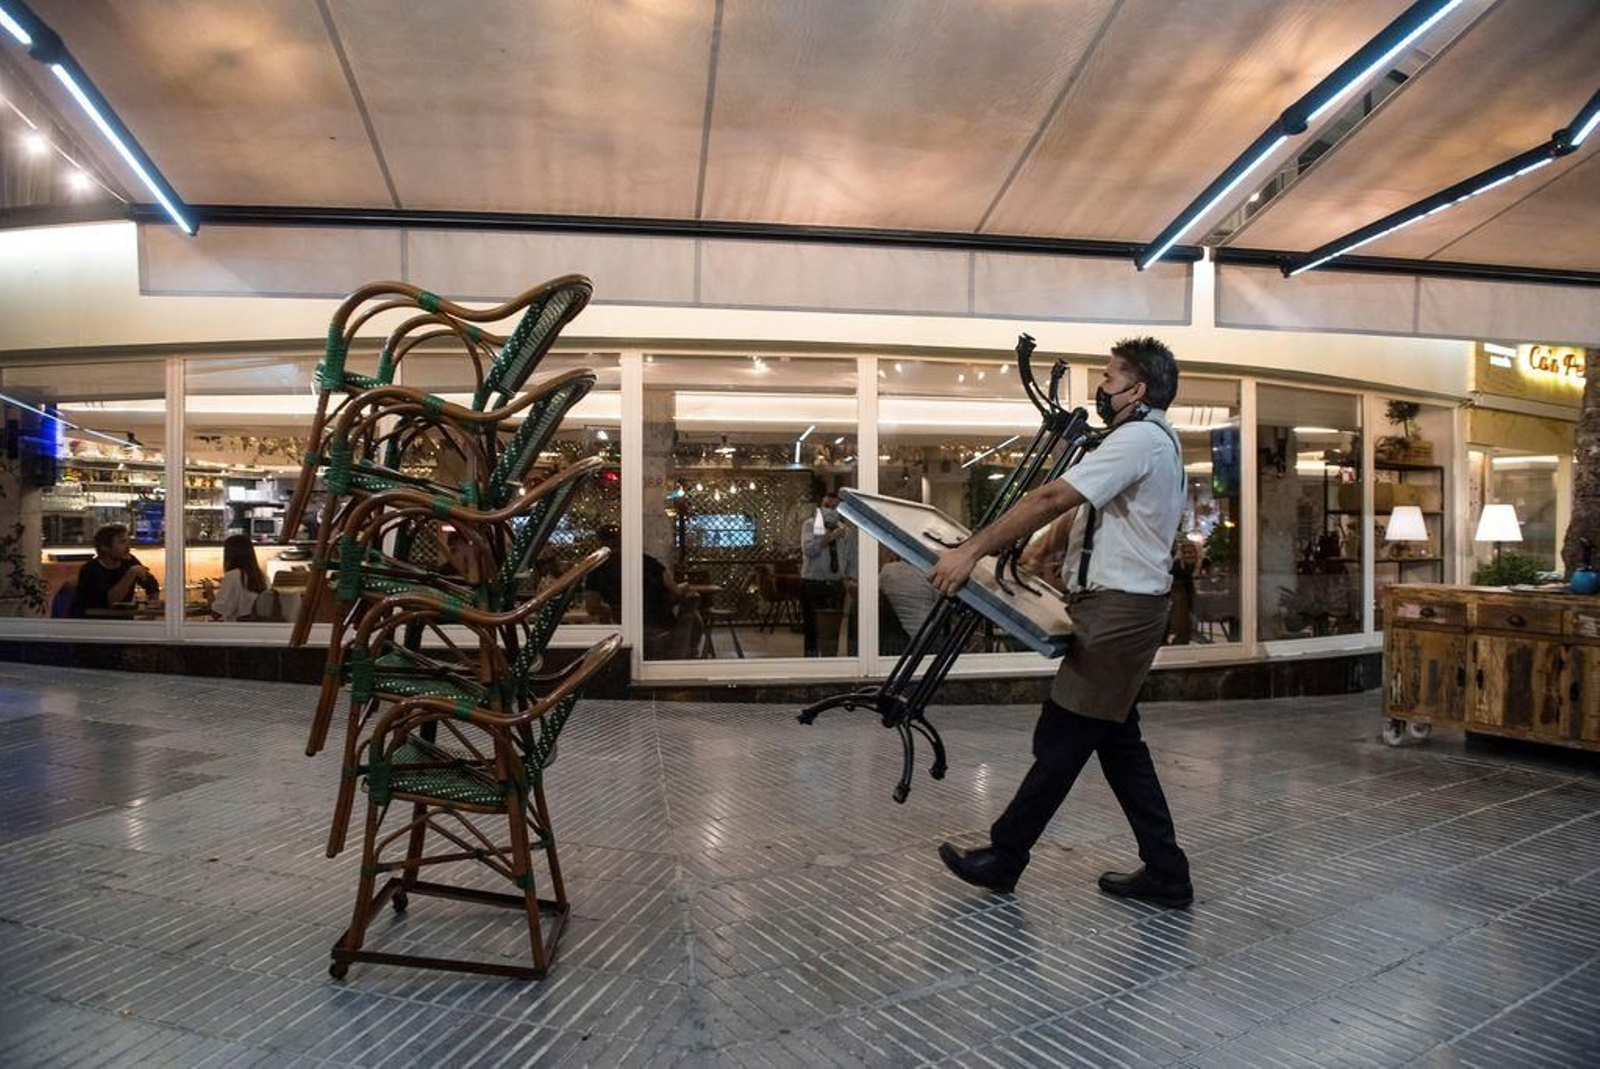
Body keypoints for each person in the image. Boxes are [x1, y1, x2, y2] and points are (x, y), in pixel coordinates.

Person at [928, 337, 1193, 908]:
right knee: (1120, 745)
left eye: (1108, 378)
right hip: (1121, 608)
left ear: (1136, 390)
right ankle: (1167, 872)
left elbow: (1053, 496)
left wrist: (970, 550)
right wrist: (1046, 551)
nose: (1101, 388)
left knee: (1063, 738)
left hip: (1119, 614)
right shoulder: (1157, 441)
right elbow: (1090, 509)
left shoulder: (1139, 439)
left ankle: (1005, 856)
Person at [799, 490, 857, 657]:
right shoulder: (810, 525)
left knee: (832, 630)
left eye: (834, 507)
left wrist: (851, 579)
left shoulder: (845, 530)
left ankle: (830, 660)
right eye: (826, 506)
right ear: (820, 507)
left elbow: (852, 558)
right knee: (812, 629)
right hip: (813, 583)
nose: (830, 510)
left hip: (835, 586)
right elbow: (809, 550)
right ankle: (811, 662)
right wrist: (829, 537)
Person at [71, 524, 159, 617]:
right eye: (122, 542)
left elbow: (152, 586)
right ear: (105, 547)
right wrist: (131, 574)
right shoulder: (90, 569)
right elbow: (110, 602)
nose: (127, 547)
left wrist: (152, 607)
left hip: (124, 622)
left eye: (128, 542)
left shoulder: (129, 561)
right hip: (94, 623)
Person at [211, 534, 269, 621]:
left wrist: (209, 590)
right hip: (256, 629)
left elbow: (217, 613)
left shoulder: (233, 576)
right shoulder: (263, 576)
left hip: (237, 630)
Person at [1168, 540, 1202, 645]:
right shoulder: (1177, 566)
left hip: (1197, 599)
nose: (1188, 555)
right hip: (1181, 601)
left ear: (1196, 553)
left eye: (1190, 552)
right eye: (1185, 553)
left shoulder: (1204, 564)